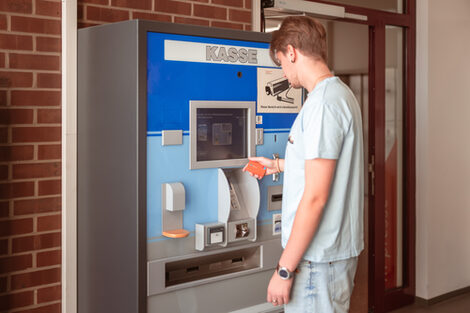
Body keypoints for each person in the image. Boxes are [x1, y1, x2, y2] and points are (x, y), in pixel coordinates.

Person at [244, 16, 364, 312]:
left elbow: (315, 197)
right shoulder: (340, 96)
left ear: (292, 51)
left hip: (317, 262)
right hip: (329, 257)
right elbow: (326, 167)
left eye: (281, 62)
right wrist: (280, 166)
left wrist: (284, 270)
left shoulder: (323, 105)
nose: (283, 72)